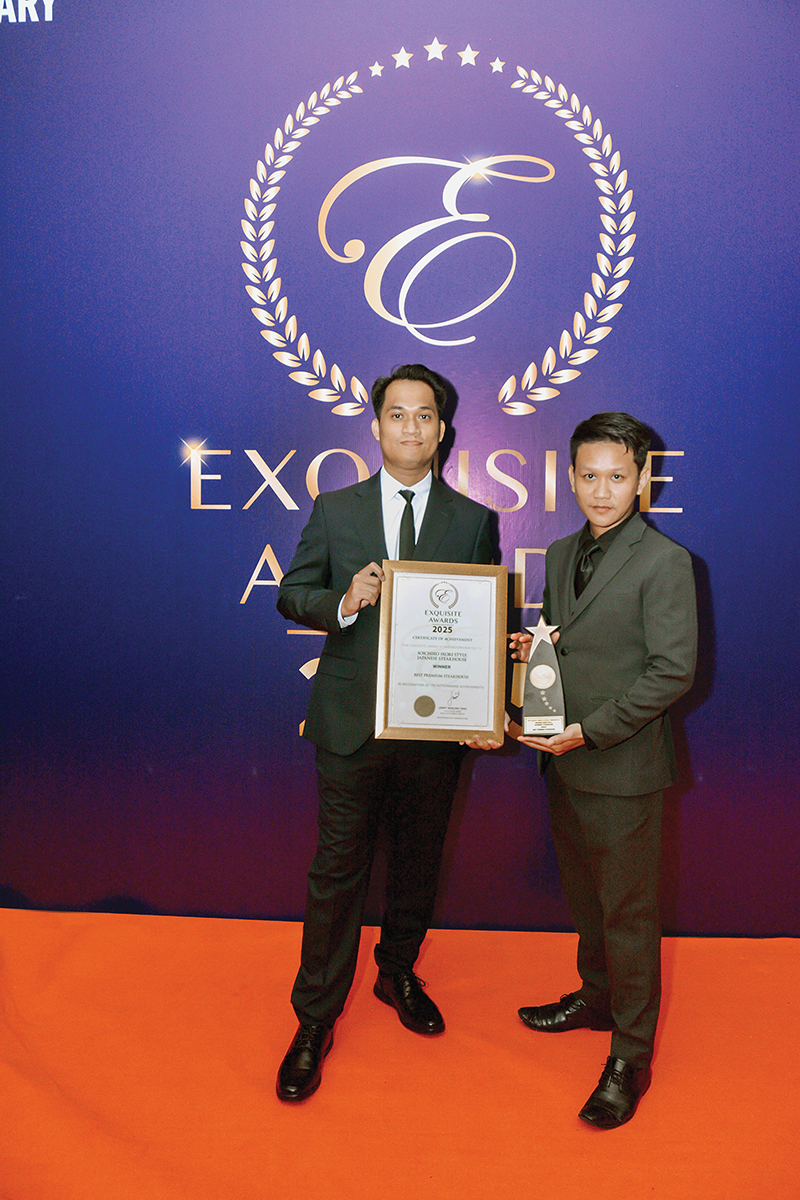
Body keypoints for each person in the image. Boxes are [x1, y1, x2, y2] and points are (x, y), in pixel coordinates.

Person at [275, 363, 497, 1102]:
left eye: (424, 415)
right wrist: (344, 601)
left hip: (434, 731)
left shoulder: (473, 521)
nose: (410, 426)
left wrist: (484, 705)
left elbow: (479, 628)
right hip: (349, 725)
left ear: (442, 429)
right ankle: (314, 1018)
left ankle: (396, 971)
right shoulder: (335, 509)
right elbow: (292, 594)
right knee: (337, 872)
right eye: (397, 414)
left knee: (417, 862)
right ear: (375, 427)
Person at [509, 411, 697, 1129]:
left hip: (622, 766)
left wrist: (591, 731)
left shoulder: (665, 561)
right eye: (589, 475)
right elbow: (566, 643)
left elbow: (673, 671)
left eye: (618, 476)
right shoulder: (561, 552)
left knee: (628, 915)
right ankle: (596, 998)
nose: (601, 490)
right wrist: (532, 654)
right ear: (570, 476)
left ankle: (631, 1055)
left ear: (643, 478)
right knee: (587, 902)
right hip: (563, 765)